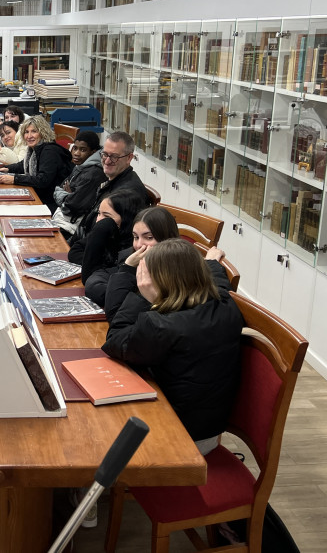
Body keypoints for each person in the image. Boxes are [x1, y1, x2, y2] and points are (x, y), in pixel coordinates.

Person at [102, 239, 243, 456]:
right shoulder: (224, 303)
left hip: (177, 438)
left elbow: (115, 340)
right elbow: (218, 280)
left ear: (162, 282)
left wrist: (143, 297)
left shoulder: (160, 326)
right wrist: (212, 262)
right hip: (208, 430)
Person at [84, 205, 180, 308]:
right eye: (136, 237)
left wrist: (117, 291)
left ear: (167, 239)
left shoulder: (177, 275)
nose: (139, 245)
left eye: (149, 237)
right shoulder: (132, 259)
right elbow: (93, 282)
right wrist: (127, 269)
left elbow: (117, 313)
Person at [57, 130, 148, 233]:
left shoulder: (127, 193)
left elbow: (108, 237)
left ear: (129, 158)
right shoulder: (112, 181)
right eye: (104, 154)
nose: (107, 161)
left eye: (114, 157)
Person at [65, 190, 146, 285]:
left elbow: (89, 276)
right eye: (99, 213)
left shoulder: (133, 246)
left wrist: (95, 263)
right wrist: (99, 264)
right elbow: (75, 251)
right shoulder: (104, 233)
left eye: (106, 216)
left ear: (125, 219)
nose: (98, 220)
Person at [0, 115, 72, 207]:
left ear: (43, 132)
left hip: (51, 201)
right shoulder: (35, 148)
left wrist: (15, 179)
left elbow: (42, 180)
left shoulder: (50, 151)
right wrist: (6, 169)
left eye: (34, 131)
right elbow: (23, 165)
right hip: (40, 195)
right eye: (26, 132)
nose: (29, 136)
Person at [52, 130, 103, 235]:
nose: (76, 153)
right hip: (64, 219)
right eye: (75, 148)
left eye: (83, 150)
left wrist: (69, 196)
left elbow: (72, 205)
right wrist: (70, 195)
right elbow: (60, 187)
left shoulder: (93, 173)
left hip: (73, 227)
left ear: (93, 152)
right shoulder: (81, 166)